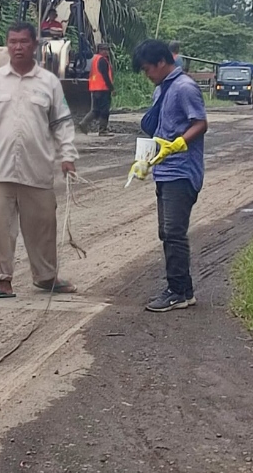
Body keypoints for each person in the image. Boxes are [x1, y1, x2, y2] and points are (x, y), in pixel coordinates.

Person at [0, 22, 78, 300]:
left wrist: (68, 156)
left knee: (43, 225)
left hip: (37, 168)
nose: (18, 47)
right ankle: (1, 282)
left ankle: (46, 277)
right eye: (13, 42)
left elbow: (62, 123)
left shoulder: (49, 83)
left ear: (34, 45)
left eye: (23, 42)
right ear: (7, 45)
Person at [132, 39, 208, 312]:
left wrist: (179, 144)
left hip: (182, 170)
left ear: (162, 62)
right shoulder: (162, 89)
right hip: (164, 170)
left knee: (174, 232)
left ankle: (176, 291)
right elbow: (160, 130)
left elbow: (200, 123)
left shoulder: (184, 87)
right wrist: (144, 160)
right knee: (166, 232)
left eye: (147, 69)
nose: (147, 75)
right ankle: (184, 290)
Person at [79, 44, 115, 136]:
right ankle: (103, 130)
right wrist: (111, 88)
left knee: (95, 110)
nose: (106, 52)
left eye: (107, 50)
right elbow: (105, 76)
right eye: (104, 50)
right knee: (104, 110)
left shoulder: (94, 59)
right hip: (103, 89)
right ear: (100, 50)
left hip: (95, 88)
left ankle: (83, 123)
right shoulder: (102, 60)